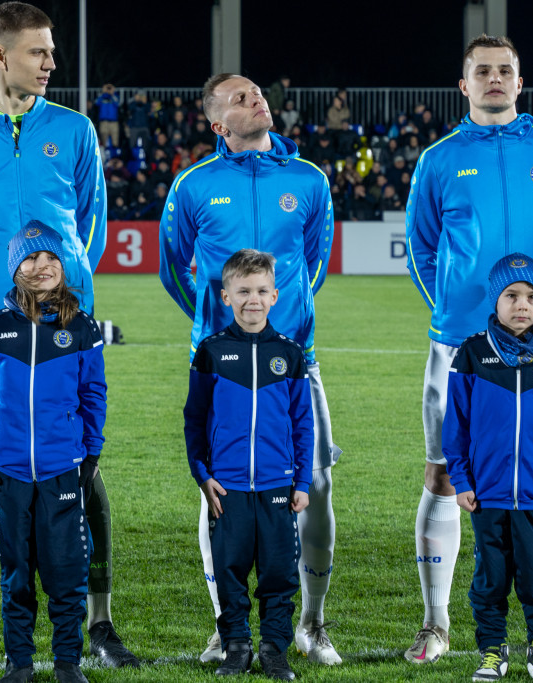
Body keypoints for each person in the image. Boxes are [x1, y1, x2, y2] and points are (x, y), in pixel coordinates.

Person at [0, 1, 135, 671]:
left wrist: (59, 299)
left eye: (50, 52)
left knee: (80, 464)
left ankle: (99, 620)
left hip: (68, 327)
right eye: (38, 52)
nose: (50, 63)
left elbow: (90, 227)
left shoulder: (73, 131)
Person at [404, 33, 533, 668]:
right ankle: (436, 623)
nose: (493, 79)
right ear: (463, 85)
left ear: (519, 81)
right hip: (458, 345)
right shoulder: (437, 159)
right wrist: (458, 309)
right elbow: (423, 248)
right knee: (444, 474)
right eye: (481, 71)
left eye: (503, 71)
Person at [159, 73, 341, 666]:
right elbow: (173, 270)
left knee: (313, 486)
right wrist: (224, 332)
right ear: (218, 124)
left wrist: (276, 330)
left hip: (295, 361)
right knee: (217, 491)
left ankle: (311, 623)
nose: (255, 99)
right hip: (221, 368)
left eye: (257, 92)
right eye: (239, 98)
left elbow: (312, 264)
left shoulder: (308, 179)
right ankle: (227, 626)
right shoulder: (194, 185)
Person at [0, 222, 106, 683]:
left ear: (63, 267)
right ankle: (20, 663)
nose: (42, 266)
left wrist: (88, 456)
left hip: (61, 471)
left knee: (66, 572)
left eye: (51, 258)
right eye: (30, 258)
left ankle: (68, 663)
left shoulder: (81, 327)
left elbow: (94, 396)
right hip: (8, 472)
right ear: (15, 269)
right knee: (17, 575)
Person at [443, 253, 533, 683]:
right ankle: (492, 650)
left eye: (532, 297)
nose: (523, 305)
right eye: (512, 295)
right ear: (494, 299)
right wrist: (462, 480)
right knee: (490, 577)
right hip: (488, 493)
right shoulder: (472, 354)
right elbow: (456, 426)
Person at [183, 249, 312, 681]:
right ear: (226, 296)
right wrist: (202, 475)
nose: (252, 299)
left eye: (260, 291)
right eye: (243, 291)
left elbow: (303, 424)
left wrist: (302, 481)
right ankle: (236, 646)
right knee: (230, 571)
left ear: (275, 295)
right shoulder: (211, 351)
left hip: (277, 486)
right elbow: (195, 418)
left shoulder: (290, 355)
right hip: (229, 488)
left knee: (278, 574)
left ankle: (275, 650)